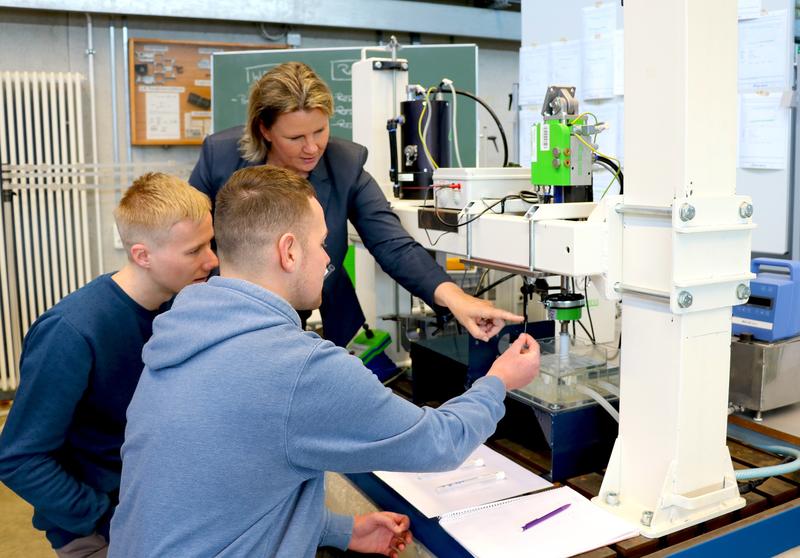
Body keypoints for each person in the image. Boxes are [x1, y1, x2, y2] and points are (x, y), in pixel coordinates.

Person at [109, 165, 540, 558]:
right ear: (289, 251)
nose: (328, 257)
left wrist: (339, 530)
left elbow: (221, 493)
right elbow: (439, 442)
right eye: (320, 243)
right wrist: (498, 380)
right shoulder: (296, 368)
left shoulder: (185, 331)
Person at [189, 61, 521, 348]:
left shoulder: (343, 165)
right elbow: (191, 241)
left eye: (320, 131)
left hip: (304, 313)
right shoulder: (221, 158)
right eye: (295, 138)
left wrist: (457, 299)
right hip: (228, 314)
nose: (312, 147)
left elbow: (393, 244)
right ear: (264, 129)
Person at [0, 173, 218, 557]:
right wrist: (106, 517)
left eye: (210, 244)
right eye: (194, 250)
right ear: (142, 255)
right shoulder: (71, 332)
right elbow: (19, 458)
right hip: (102, 529)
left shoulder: (180, 306)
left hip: (162, 510)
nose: (212, 260)